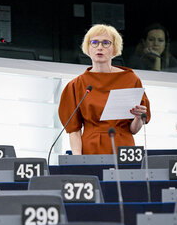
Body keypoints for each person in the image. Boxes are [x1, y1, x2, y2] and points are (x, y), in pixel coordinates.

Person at [58, 24, 151, 155]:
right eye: (94, 43)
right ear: (88, 48)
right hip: (91, 148)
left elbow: (133, 130)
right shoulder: (76, 85)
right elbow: (74, 130)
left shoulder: (130, 79)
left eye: (106, 43)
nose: (99, 47)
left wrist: (137, 118)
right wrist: (77, 159)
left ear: (114, 49)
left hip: (124, 149)